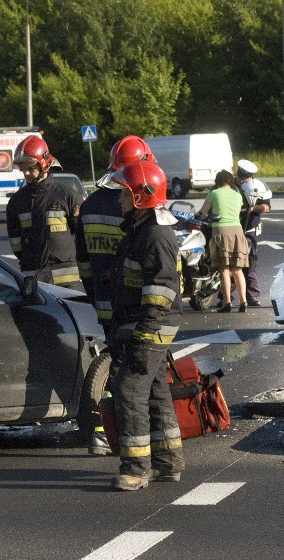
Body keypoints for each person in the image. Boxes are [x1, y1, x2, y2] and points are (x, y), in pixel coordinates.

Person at [102, 159, 184, 491]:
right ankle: (169, 462)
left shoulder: (155, 235)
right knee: (154, 390)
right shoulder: (142, 230)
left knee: (128, 389)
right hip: (143, 323)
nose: (119, 200)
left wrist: (144, 337)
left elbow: (161, 291)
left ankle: (136, 468)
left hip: (152, 325)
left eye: (125, 195)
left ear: (141, 197)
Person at [76, 135, 157, 456]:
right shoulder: (135, 206)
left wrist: (96, 296)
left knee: (115, 369)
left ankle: (101, 432)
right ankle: (132, 437)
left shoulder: (90, 205)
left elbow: (82, 262)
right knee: (136, 376)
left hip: (104, 303)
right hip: (135, 306)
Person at [6, 135, 83, 288]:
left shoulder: (67, 196)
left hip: (67, 282)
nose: (26, 173)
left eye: (30, 168)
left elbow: (82, 238)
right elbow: (16, 244)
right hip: (33, 278)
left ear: (44, 166)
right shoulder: (16, 202)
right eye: (23, 168)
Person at [197, 170, 248, 313]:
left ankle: (227, 302)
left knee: (224, 269)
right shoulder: (237, 195)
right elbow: (236, 213)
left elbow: (203, 212)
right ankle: (243, 301)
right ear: (231, 181)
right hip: (237, 232)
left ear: (218, 181)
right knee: (237, 269)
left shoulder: (214, 193)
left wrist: (197, 216)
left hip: (221, 231)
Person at [235, 159, 272, 307]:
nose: (246, 180)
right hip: (234, 227)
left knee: (250, 264)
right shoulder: (231, 186)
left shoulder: (257, 186)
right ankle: (226, 297)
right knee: (232, 263)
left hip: (250, 229)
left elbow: (267, 207)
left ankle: (252, 296)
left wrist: (254, 208)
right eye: (244, 177)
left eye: (249, 177)